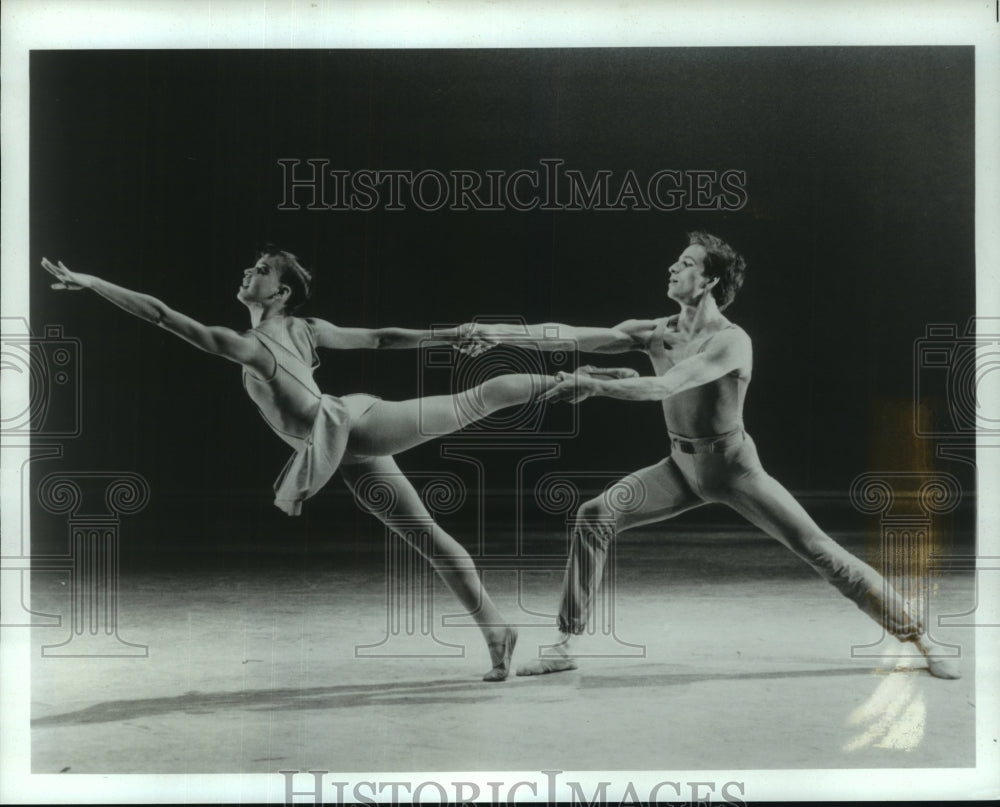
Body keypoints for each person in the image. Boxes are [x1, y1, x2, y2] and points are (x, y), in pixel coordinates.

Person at [41, 247, 554, 682]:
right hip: (340, 447)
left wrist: (93, 282)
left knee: (475, 400)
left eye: (262, 269)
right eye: (253, 266)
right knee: (426, 537)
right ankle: (498, 631)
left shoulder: (262, 344)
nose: (249, 271)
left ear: (280, 292)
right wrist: (448, 335)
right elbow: (381, 338)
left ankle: (573, 382)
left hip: (356, 423)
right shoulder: (285, 334)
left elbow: (161, 314)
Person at [471, 231, 959, 680]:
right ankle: (563, 645)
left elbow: (666, 385)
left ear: (709, 281)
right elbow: (571, 334)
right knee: (594, 516)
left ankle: (920, 638)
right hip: (680, 468)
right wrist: (498, 332)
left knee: (822, 553)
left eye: (685, 263)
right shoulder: (655, 330)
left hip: (733, 469)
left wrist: (594, 386)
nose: (672, 268)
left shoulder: (731, 341)